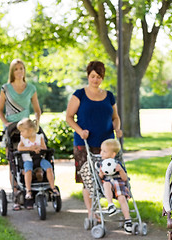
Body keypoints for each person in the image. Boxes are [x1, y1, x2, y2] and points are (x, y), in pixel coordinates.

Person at [65, 60, 123, 220]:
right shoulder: (80, 94)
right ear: (88, 76)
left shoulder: (109, 96)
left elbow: (115, 117)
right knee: (88, 180)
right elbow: (69, 117)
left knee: (108, 176)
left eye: (98, 77)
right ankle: (91, 212)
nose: (95, 80)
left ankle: (111, 205)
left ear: (102, 78)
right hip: (84, 144)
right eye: (92, 76)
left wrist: (116, 128)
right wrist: (80, 131)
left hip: (106, 146)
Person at [0, 58, 42, 211]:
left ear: (24, 70)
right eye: (16, 69)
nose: (19, 71)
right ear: (12, 72)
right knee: (13, 163)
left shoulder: (31, 88)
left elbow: (37, 110)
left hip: (27, 127)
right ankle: (17, 195)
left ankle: (32, 191)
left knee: (32, 158)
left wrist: (36, 122)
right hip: (11, 129)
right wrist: (7, 123)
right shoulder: (6, 88)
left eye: (21, 68)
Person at [16, 118, 59, 209]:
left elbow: (44, 147)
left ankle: (52, 187)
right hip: (28, 160)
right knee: (28, 170)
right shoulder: (23, 139)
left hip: (40, 159)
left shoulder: (40, 137)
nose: (21, 133)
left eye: (22, 131)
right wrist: (30, 148)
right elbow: (19, 148)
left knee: (48, 167)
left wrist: (38, 147)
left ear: (30, 130)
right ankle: (28, 190)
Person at [98, 139, 132, 233]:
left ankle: (127, 220)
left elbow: (125, 178)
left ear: (113, 155)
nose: (101, 153)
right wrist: (101, 173)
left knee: (122, 199)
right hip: (108, 185)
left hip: (119, 184)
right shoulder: (101, 164)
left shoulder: (117, 163)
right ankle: (110, 205)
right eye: (101, 150)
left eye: (104, 151)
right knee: (106, 183)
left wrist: (120, 170)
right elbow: (100, 178)